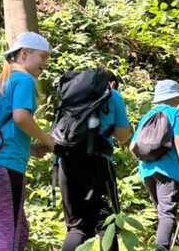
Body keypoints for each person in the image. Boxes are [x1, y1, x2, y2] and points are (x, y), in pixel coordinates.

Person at [0, 31, 55, 251]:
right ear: (25, 53)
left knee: (19, 230)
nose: (45, 64)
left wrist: (31, 147)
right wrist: (47, 138)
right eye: (43, 57)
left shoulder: (4, 81)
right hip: (4, 165)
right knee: (9, 234)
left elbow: (3, 124)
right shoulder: (25, 80)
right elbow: (20, 117)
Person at [58, 70, 131, 251]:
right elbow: (123, 136)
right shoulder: (112, 95)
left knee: (76, 227)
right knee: (107, 225)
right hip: (98, 165)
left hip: (66, 163)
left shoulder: (71, 95)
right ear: (111, 83)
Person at [130, 79, 179, 250]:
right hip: (168, 169)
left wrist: (145, 160)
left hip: (147, 170)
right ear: (173, 98)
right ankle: (161, 248)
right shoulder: (176, 113)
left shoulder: (146, 116)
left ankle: (172, 246)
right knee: (167, 213)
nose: (178, 100)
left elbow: (132, 146)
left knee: (162, 212)